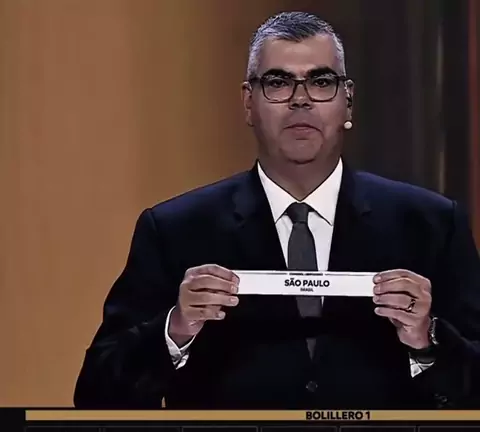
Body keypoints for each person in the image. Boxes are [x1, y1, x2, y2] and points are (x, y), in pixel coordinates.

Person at [74, 11, 480, 409]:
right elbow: (96, 396)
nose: (301, 99)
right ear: (248, 103)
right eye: (278, 82)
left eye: (321, 82)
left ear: (348, 102)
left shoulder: (431, 225)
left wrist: (428, 340)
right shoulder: (174, 230)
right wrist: (175, 329)